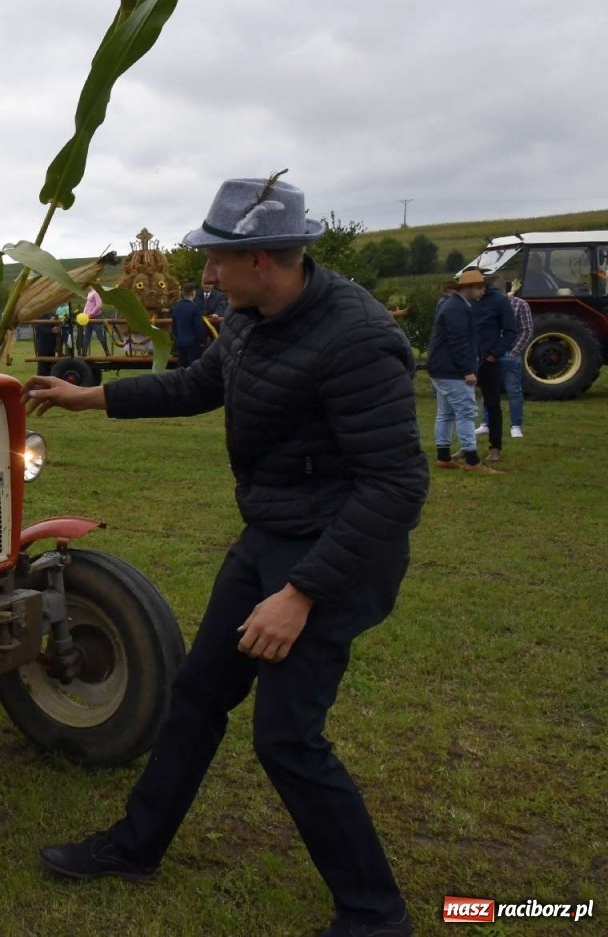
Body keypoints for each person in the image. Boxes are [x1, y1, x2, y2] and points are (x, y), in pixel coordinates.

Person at [23, 175, 428, 937]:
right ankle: (136, 847)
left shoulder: (357, 338)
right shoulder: (248, 318)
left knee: (286, 738)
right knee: (199, 693)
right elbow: (196, 385)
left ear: (263, 259)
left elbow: (397, 486)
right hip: (270, 533)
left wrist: (300, 595)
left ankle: (376, 915)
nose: (206, 273)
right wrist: (91, 398)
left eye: (217, 259)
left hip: (336, 554)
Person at [427, 270, 491, 472]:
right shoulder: (457, 308)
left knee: (446, 413)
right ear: (467, 288)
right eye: (480, 287)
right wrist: (468, 370)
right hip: (452, 369)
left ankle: (443, 456)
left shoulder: (453, 305)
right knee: (466, 412)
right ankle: (472, 460)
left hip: (441, 367)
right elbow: (458, 341)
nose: (483, 291)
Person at [470, 272, 517, 463]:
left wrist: (495, 354)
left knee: (492, 404)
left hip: (489, 360)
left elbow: (510, 330)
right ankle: (467, 446)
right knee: (465, 405)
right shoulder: (466, 300)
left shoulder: (499, 301)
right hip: (467, 359)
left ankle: (495, 448)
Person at [501, 281, 532, 438]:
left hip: (510, 353)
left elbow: (526, 330)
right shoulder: (487, 305)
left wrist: (514, 352)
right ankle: (486, 423)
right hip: (491, 354)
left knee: (513, 390)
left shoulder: (520, 304)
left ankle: (515, 426)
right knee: (489, 391)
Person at [168, 289, 206, 367]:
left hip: (180, 342)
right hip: (193, 344)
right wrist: (201, 340)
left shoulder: (176, 307)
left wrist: (177, 339)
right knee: (193, 368)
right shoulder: (195, 307)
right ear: (193, 293)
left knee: (182, 367)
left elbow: (174, 327)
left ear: (183, 293)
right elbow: (198, 327)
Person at [78, 285, 107, 356]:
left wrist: (91, 313)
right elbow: (87, 305)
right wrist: (84, 313)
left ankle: (107, 352)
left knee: (99, 335)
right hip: (87, 318)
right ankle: (84, 353)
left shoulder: (95, 293)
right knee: (87, 335)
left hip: (95, 317)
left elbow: (99, 305)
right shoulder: (89, 293)